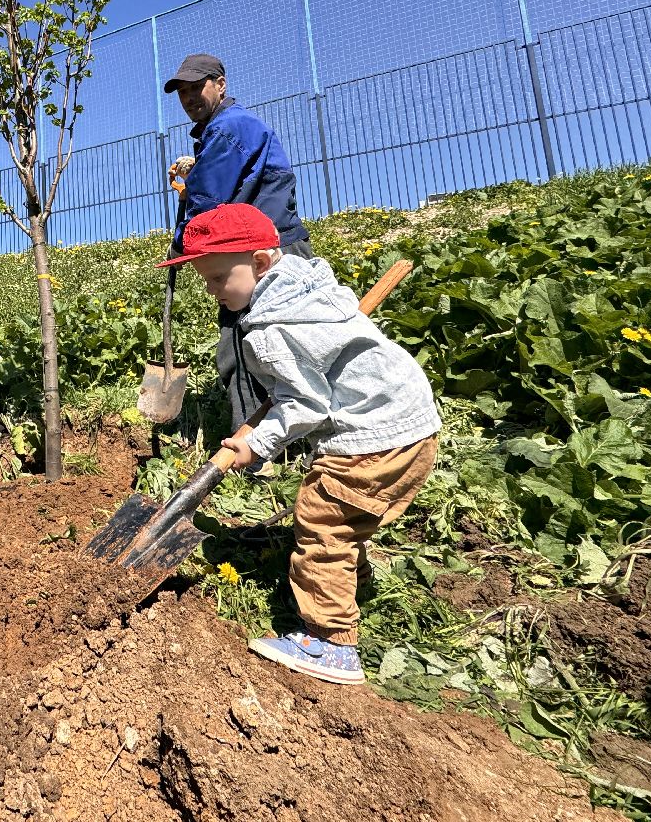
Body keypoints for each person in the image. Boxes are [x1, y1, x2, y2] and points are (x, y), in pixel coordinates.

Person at [159, 203, 440, 685]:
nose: (211, 290)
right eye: (206, 280)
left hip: (370, 436)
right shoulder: (308, 290)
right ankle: (348, 580)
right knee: (347, 518)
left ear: (262, 263)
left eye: (219, 277)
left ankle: (332, 643)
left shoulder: (272, 328)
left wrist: (256, 443)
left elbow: (305, 405)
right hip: (412, 424)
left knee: (323, 519)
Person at [163, 53, 313, 434]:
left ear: (221, 84)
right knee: (286, 346)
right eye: (182, 92)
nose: (189, 98)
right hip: (273, 248)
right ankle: (290, 441)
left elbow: (210, 205)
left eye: (197, 87)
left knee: (243, 352)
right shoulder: (229, 129)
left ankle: (252, 458)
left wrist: (181, 243)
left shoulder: (228, 130)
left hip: (260, 256)